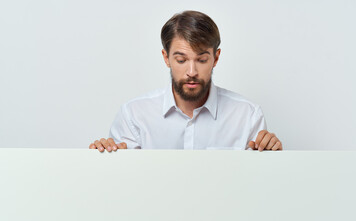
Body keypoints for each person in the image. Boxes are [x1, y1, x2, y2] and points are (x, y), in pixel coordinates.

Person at [89, 10, 282, 152]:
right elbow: (122, 185)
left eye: (202, 60)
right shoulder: (134, 115)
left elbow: (257, 186)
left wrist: (272, 158)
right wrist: (106, 157)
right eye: (181, 60)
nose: (191, 72)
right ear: (166, 58)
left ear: (216, 58)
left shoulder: (247, 116)